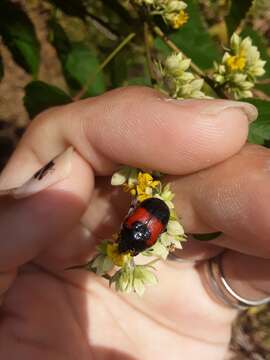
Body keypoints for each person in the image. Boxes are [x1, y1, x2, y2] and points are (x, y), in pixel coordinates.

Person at [0, 86, 269, 360]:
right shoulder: (132, 236)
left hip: (157, 209)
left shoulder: (133, 237)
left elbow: (141, 226)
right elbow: (140, 226)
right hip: (156, 209)